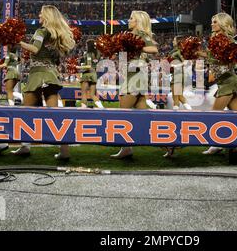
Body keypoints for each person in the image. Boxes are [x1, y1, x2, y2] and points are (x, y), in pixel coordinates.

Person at [11, 5, 75, 161]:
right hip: (51, 74)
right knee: (55, 115)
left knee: (26, 113)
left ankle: (25, 146)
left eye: (41, 13)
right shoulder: (55, 34)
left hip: (38, 75)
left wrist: (18, 41)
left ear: (47, 15)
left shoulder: (41, 31)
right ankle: (64, 150)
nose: (39, 14)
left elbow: (34, 49)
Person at [111, 11, 158, 159]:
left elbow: (154, 49)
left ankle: (126, 148)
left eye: (131, 18)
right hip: (132, 75)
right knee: (144, 119)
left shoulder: (141, 36)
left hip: (136, 76)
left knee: (122, 114)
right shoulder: (129, 36)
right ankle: (169, 145)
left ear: (138, 21)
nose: (129, 20)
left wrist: (137, 47)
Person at [201, 13, 237, 155]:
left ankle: (216, 144)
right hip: (224, 82)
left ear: (222, 24)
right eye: (211, 21)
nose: (212, 24)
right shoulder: (215, 40)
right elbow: (211, 58)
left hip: (228, 81)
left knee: (214, 115)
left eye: (215, 22)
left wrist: (227, 57)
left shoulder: (228, 40)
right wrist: (197, 52)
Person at [78, 39, 104, 109]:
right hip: (94, 74)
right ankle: (101, 108)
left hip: (87, 74)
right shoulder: (98, 53)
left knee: (83, 94)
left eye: (86, 45)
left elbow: (88, 66)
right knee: (92, 94)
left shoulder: (88, 54)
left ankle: (83, 109)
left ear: (88, 45)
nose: (86, 46)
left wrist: (78, 67)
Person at [169, 36, 193, 110]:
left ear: (178, 42)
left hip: (178, 75)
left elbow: (188, 62)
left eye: (174, 40)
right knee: (177, 96)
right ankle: (189, 110)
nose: (172, 41)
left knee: (176, 97)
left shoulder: (179, 51)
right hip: (178, 74)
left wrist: (175, 65)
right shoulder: (177, 51)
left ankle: (190, 111)